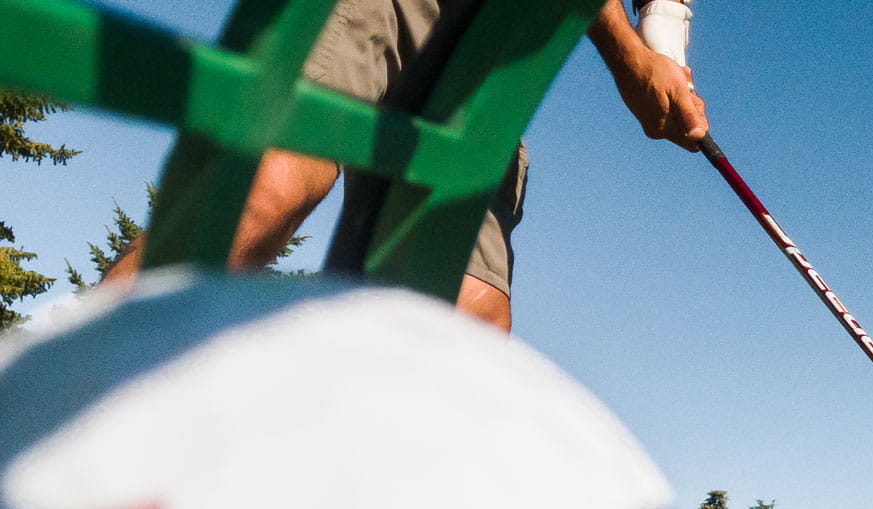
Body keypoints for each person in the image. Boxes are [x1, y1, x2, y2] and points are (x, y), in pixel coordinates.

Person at [101, 0, 706, 332]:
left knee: (469, 314)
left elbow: (663, 14)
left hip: (488, 53)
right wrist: (628, 58)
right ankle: (43, 428)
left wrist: (663, 61)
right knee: (269, 192)